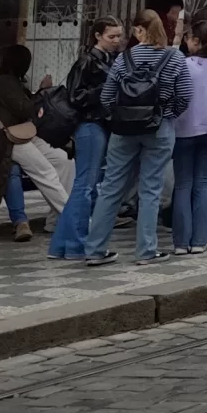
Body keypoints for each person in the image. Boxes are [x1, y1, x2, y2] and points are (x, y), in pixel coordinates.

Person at [81, 12, 186, 266]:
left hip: (123, 130)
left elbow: (107, 97)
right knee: (150, 189)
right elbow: (185, 95)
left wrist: (121, 116)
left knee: (111, 188)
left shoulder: (123, 58)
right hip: (159, 129)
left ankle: (95, 250)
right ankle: (146, 251)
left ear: (139, 31)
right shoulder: (174, 57)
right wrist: (166, 115)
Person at [48, 16, 122, 260]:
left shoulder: (110, 60)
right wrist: (107, 88)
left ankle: (62, 245)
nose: (116, 41)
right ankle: (76, 244)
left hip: (99, 124)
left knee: (85, 186)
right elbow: (76, 97)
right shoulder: (87, 61)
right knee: (85, 186)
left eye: (119, 36)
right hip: (90, 125)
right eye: (112, 36)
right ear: (98, 36)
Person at [0, 44, 67, 240]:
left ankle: (57, 219)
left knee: (63, 160)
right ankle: (71, 217)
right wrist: (42, 93)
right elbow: (26, 109)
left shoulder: (9, 83)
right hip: (7, 139)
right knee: (46, 172)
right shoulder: (3, 84)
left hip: (21, 134)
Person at [169, 17, 207, 256]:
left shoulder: (184, 65)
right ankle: (200, 240)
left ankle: (181, 242)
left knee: (183, 185)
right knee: (203, 184)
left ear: (195, 40)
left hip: (183, 130)